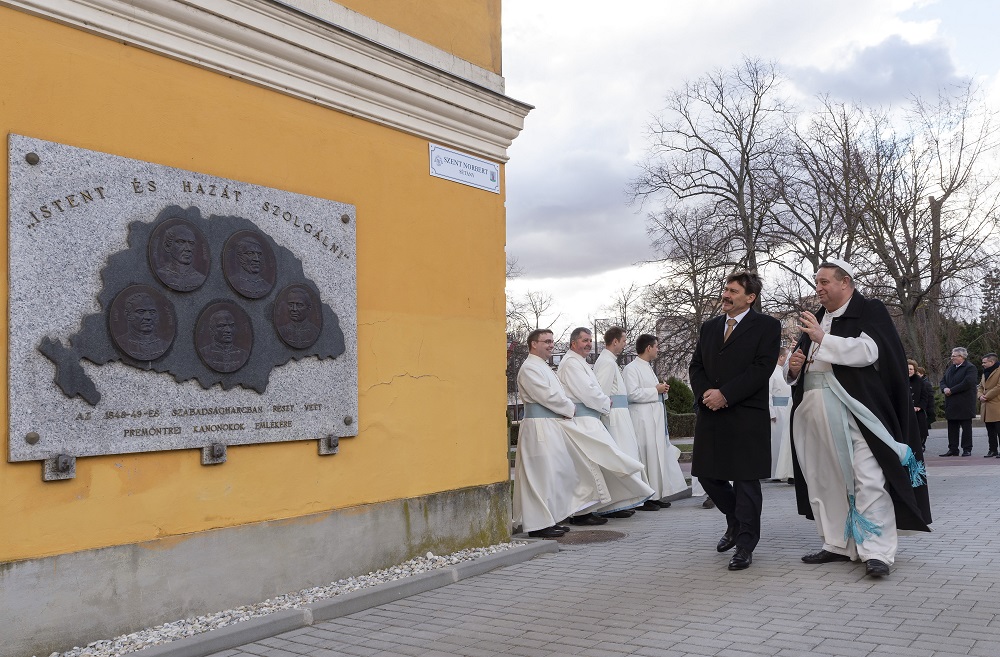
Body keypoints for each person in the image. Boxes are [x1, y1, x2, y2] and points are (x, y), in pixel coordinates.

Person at [787, 259, 931, 578]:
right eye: (817, 282)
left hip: (857, 411)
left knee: (868, 477)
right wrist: (794, 368)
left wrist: (823, 341)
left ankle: (877, 552)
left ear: (845, 283)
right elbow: (799, 367)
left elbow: (870, 352)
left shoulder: (869, 310)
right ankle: (837, 544)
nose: (819, 288)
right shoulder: (819, 318)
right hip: (814, 411)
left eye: (825, 282)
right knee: (824, 479)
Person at [689, 271, 781, 571]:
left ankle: (744, 545)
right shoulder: (710, 327)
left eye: (732, 291)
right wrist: (707, 394)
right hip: (711, 412)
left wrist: (726, 394)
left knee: (745, 482)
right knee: (707, 475)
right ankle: (735, 520)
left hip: (745, 414)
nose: (725, 295)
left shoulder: (767, 326)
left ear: (750, 297)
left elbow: (761, 368)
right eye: (725, 289)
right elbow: (697, 365)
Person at [513, 329, 606, 538]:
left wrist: (565, 407)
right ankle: (538, 525)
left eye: (552, 342)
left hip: (550, 424)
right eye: (546, 342)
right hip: (538, 428)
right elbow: (549, 396)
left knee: (554, 473)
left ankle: (550, 518)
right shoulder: (529, 368)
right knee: (540, 475)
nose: (551, 345)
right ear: (533, 344)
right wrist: (569, 408)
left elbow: (558, 394)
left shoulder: (543, 367)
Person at [557, 327, 654, 524]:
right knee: (599, 463)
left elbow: (593, 389)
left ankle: (602, 506)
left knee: (602, 463)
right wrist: (604, 403)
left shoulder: (580, 362)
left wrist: (601, 401)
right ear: (573, 343)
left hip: (593, 416)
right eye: (584, 340)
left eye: (590, 340)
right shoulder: (571, 364)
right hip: (585, 420)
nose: (588, 344)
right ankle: (587, 511)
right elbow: (590, 391)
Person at [623, 333, 689, 509]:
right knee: (646, 457)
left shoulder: (648, 367)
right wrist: (655, 389)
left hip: (654, 419)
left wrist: (662, 390)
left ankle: (656, 494)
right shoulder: (631, 368)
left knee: (656, 457)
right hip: (643, 420)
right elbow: (632, 394)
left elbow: (653, 391)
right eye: (656, 346)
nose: (658, 349)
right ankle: (645, 497)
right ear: (648, 348)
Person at [593, 326, 647, 516]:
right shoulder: (607, 363)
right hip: (614, 417)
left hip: (620, 416)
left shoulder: (610, 361)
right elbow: (602, 392)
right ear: (615, 341)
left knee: (626, 456)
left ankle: (624, 501)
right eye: (623, 340)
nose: (625, 344)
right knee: (620, 458)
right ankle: (614, 505)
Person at [939, 347, 979, 457]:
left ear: (961, 357)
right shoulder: (950, 368)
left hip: (964, 403)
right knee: (952, 428)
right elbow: (943, 381)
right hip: (951, 403)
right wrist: (944, 389)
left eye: (954, 356)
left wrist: (952, 390)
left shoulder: (970, 368)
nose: (952, 358)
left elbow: (968, 383)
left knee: (966, 427)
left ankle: (967, 449)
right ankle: (953, 448)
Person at [116, 291, 171, 360]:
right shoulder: (122, 341)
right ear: (128, 315)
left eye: (152, 312)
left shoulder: (164, 344)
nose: (148, 317)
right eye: (141, 312)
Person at [769, 347, 795, 482]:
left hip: (786, 409)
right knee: (776, 442)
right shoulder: (771, 372)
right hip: (777, 411)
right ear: (780, 357)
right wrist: (771, 412)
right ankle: (774, 472)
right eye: (786, 356)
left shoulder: (782, 372)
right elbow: (768, 393)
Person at [157, 224, 206, 291]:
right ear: (167, 247)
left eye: (191, 243)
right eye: (181, 242)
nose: (188, 249)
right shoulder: (161, 273)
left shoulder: (200, 278)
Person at [978, 353, 1000, 458]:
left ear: (992, 362)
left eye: (984, 362)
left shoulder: (999, 371)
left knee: (998, 429)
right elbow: (980, 387)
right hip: (986, 406)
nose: (983, 364)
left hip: (996, 404)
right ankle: (992, 450)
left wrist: (986, 396)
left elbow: (999, 387)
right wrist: (980, 396)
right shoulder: (985, 373)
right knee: (990, 430)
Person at [907, 359, 932, 451]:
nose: (909, 371)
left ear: (914, 370)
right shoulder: (901, 380)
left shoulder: (919, 381)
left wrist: (920, 406)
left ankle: (921, 445)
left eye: (911, 369)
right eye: (907, 369)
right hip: (906, 410)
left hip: (918, 410)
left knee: (920, 430)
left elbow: (925, 396)